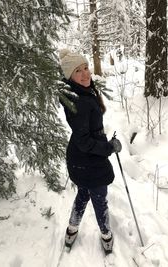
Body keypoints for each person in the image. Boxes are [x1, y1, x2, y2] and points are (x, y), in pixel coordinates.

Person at [59, 49, 122, 254]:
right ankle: (106, 235)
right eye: (78, 71)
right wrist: (109, 148)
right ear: (70, 76)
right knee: (99, 199)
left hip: (80, 158)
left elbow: (85, 135)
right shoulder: (80, 100)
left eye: (86, 67)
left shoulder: (83, 92)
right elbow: (85, 141)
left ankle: (72, 229)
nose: (86, 74)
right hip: (87, 159)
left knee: (83, 194)